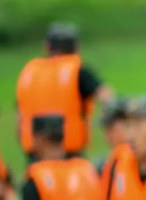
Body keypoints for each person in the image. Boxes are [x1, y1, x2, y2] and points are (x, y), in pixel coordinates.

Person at [16, 22, 113, 160]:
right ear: (77, 47)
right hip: (69, 152)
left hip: (36, 151)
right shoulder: (78, 70)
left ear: (47, 47)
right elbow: (106, 96)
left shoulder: (29, 71)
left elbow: (19, 116)